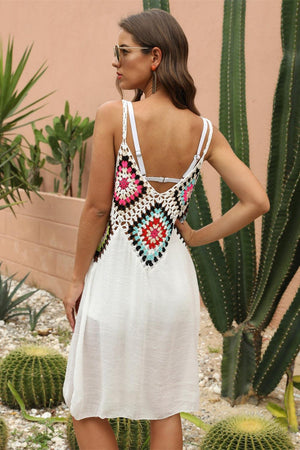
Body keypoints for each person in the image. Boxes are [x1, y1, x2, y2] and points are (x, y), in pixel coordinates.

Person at [62, 8, 270, 450]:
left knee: (84, 402)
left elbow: (98, 209)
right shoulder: (203, 130)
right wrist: (195, 237)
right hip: (174, 280)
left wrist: (76, 278)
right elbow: (258, 201)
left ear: (155, 56)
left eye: (123, 51)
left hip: (119, 276)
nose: (115, 61)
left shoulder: (113, 116)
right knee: (165, 407)